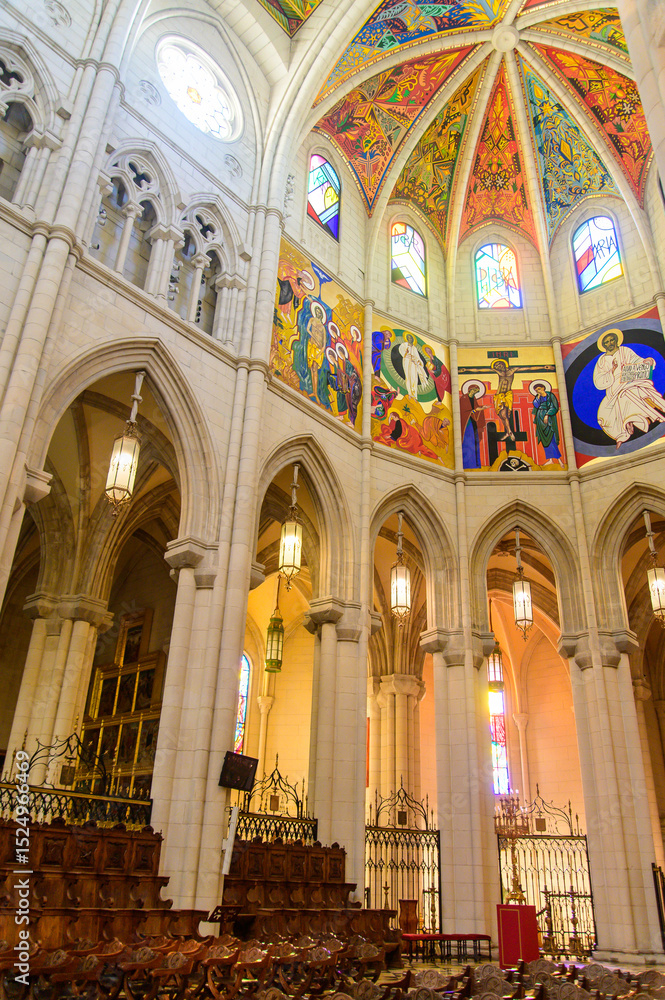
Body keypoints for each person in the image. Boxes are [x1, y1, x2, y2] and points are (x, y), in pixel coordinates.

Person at [592, 328, 665, 447]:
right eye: (607, 342)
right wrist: (612, 371)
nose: (610, 343)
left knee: (632, 392)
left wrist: (646, 361)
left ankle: (635, 419)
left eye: (612, 340)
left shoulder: (625, 350)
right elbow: (598, 381)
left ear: (616, 340)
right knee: (613, 406)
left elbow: (637, 360)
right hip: (614, 388)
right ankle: (628, 424)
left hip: (631, 380)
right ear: (604, 345)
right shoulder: (601, 361)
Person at [531, 382, 562, 465]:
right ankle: (550, 460)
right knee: (544, 439)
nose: (538, 391)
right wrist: (538, 398)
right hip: (540, 419)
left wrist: (547, 415)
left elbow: (554, 407)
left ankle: (559, 460)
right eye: (536, 390)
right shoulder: (538, 397)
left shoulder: (550, 396)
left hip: (549, 419)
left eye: (539, 389)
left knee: (552, 438)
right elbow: (536, 405)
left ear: (543, 388)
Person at [399, 334, 428, 399]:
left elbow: (417, 357)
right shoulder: (404, 345)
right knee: (408, 377)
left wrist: (419, 362)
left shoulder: (414, 348)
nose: (410, 339)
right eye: (408, 338)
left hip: (413, 364)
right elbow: (401, 352)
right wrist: (406, 353)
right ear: (406, 339)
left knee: (414, 378)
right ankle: (410, 393)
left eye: (411, 338)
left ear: (413, 339)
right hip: (407, 362)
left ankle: (414, 395)